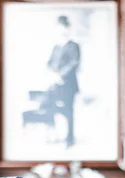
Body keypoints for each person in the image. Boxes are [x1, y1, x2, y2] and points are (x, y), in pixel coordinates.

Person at [46, 15, 81, 148]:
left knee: (68, 111)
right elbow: (49, 63)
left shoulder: (73, 46)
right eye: (60, 27)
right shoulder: (56, 47)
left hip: (68, 85)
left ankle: (69, 139)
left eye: (64, 27)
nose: (62, 30)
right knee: (50, 108)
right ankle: (54, 136)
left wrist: (61, 75)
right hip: (55, 85)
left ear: (68, 28)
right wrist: (52, 74)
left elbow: (74, 63)